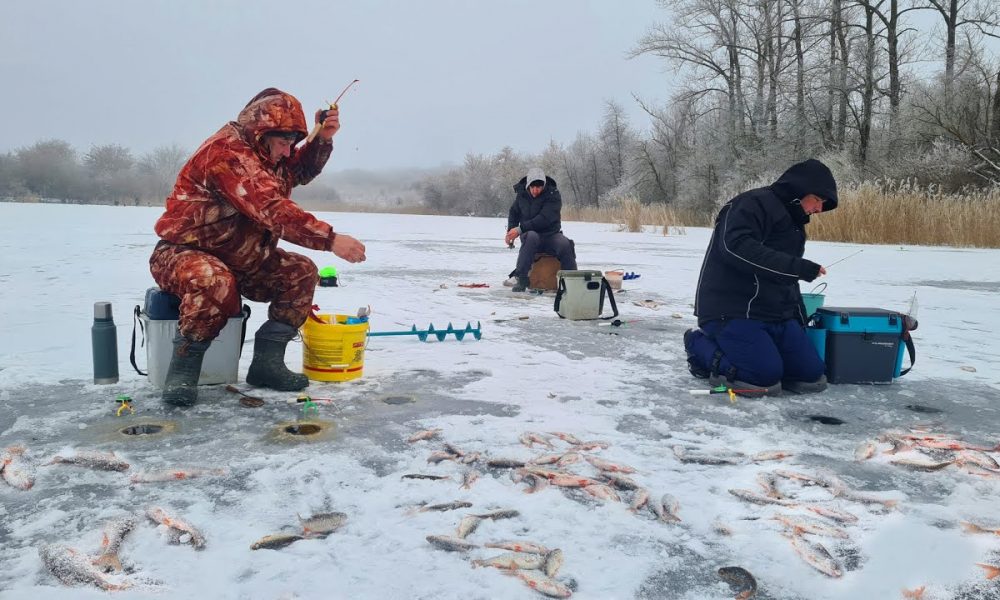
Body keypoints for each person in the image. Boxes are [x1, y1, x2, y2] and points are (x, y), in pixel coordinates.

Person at [149, 87, 366, 407]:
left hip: (244, 257)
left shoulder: (267, 154)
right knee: (213, 280)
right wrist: (330, 239)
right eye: (283, 143)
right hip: (183, 253)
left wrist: (322, 139)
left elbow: (297, 170)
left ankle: (267, 364)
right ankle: (182, 371)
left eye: (292, 143)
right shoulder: (227, 154)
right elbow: (271, 208)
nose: (288, 151)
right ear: (261, 133)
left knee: (300, 272)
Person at [684, 158, 838, 397]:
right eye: (817, 199)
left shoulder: (794, 223)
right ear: (799, 190)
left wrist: (798, 316)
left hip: (776, 314)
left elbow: (784, 276)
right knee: (761, 379)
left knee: (810, 375)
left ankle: (765, 349)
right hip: (733, 310)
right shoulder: (751, 204)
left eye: (823, 203)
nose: (819, 209)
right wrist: (797, 268)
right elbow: (735, 247)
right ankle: (697, 344)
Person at [504, 167, 577, 292]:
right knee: (531, 236)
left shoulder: (553, 195)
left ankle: (571, 280)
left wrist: (520, 229)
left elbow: (544, 219)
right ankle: (521, 278)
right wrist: (511, 231)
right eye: (532, 187)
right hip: (530, 236)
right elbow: (514, 212)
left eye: (538, 187)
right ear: (528, 185)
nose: (535, 190)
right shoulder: (522, 195)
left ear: (543, 185)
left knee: (564, 243)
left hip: (551, 235)